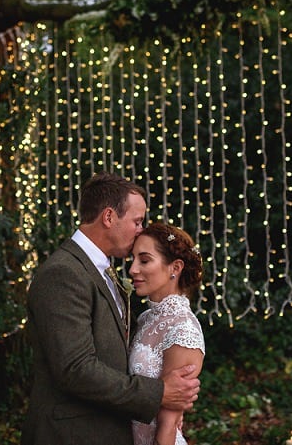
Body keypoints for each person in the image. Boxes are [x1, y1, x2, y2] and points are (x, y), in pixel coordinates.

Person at [21, 171, 201, 445]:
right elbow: (75, 368)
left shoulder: (101, 271)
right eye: (137, 221)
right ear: (108, 217)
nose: (142, 230)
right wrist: (158, 393)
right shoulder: (64, 273)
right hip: (72, 435)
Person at [128, 222, 206, 445]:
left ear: (175, 267)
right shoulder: (145, 319)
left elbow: (168, 423)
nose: (133, 269)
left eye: (144, 260)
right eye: (132, 259)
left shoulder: (184, 330)